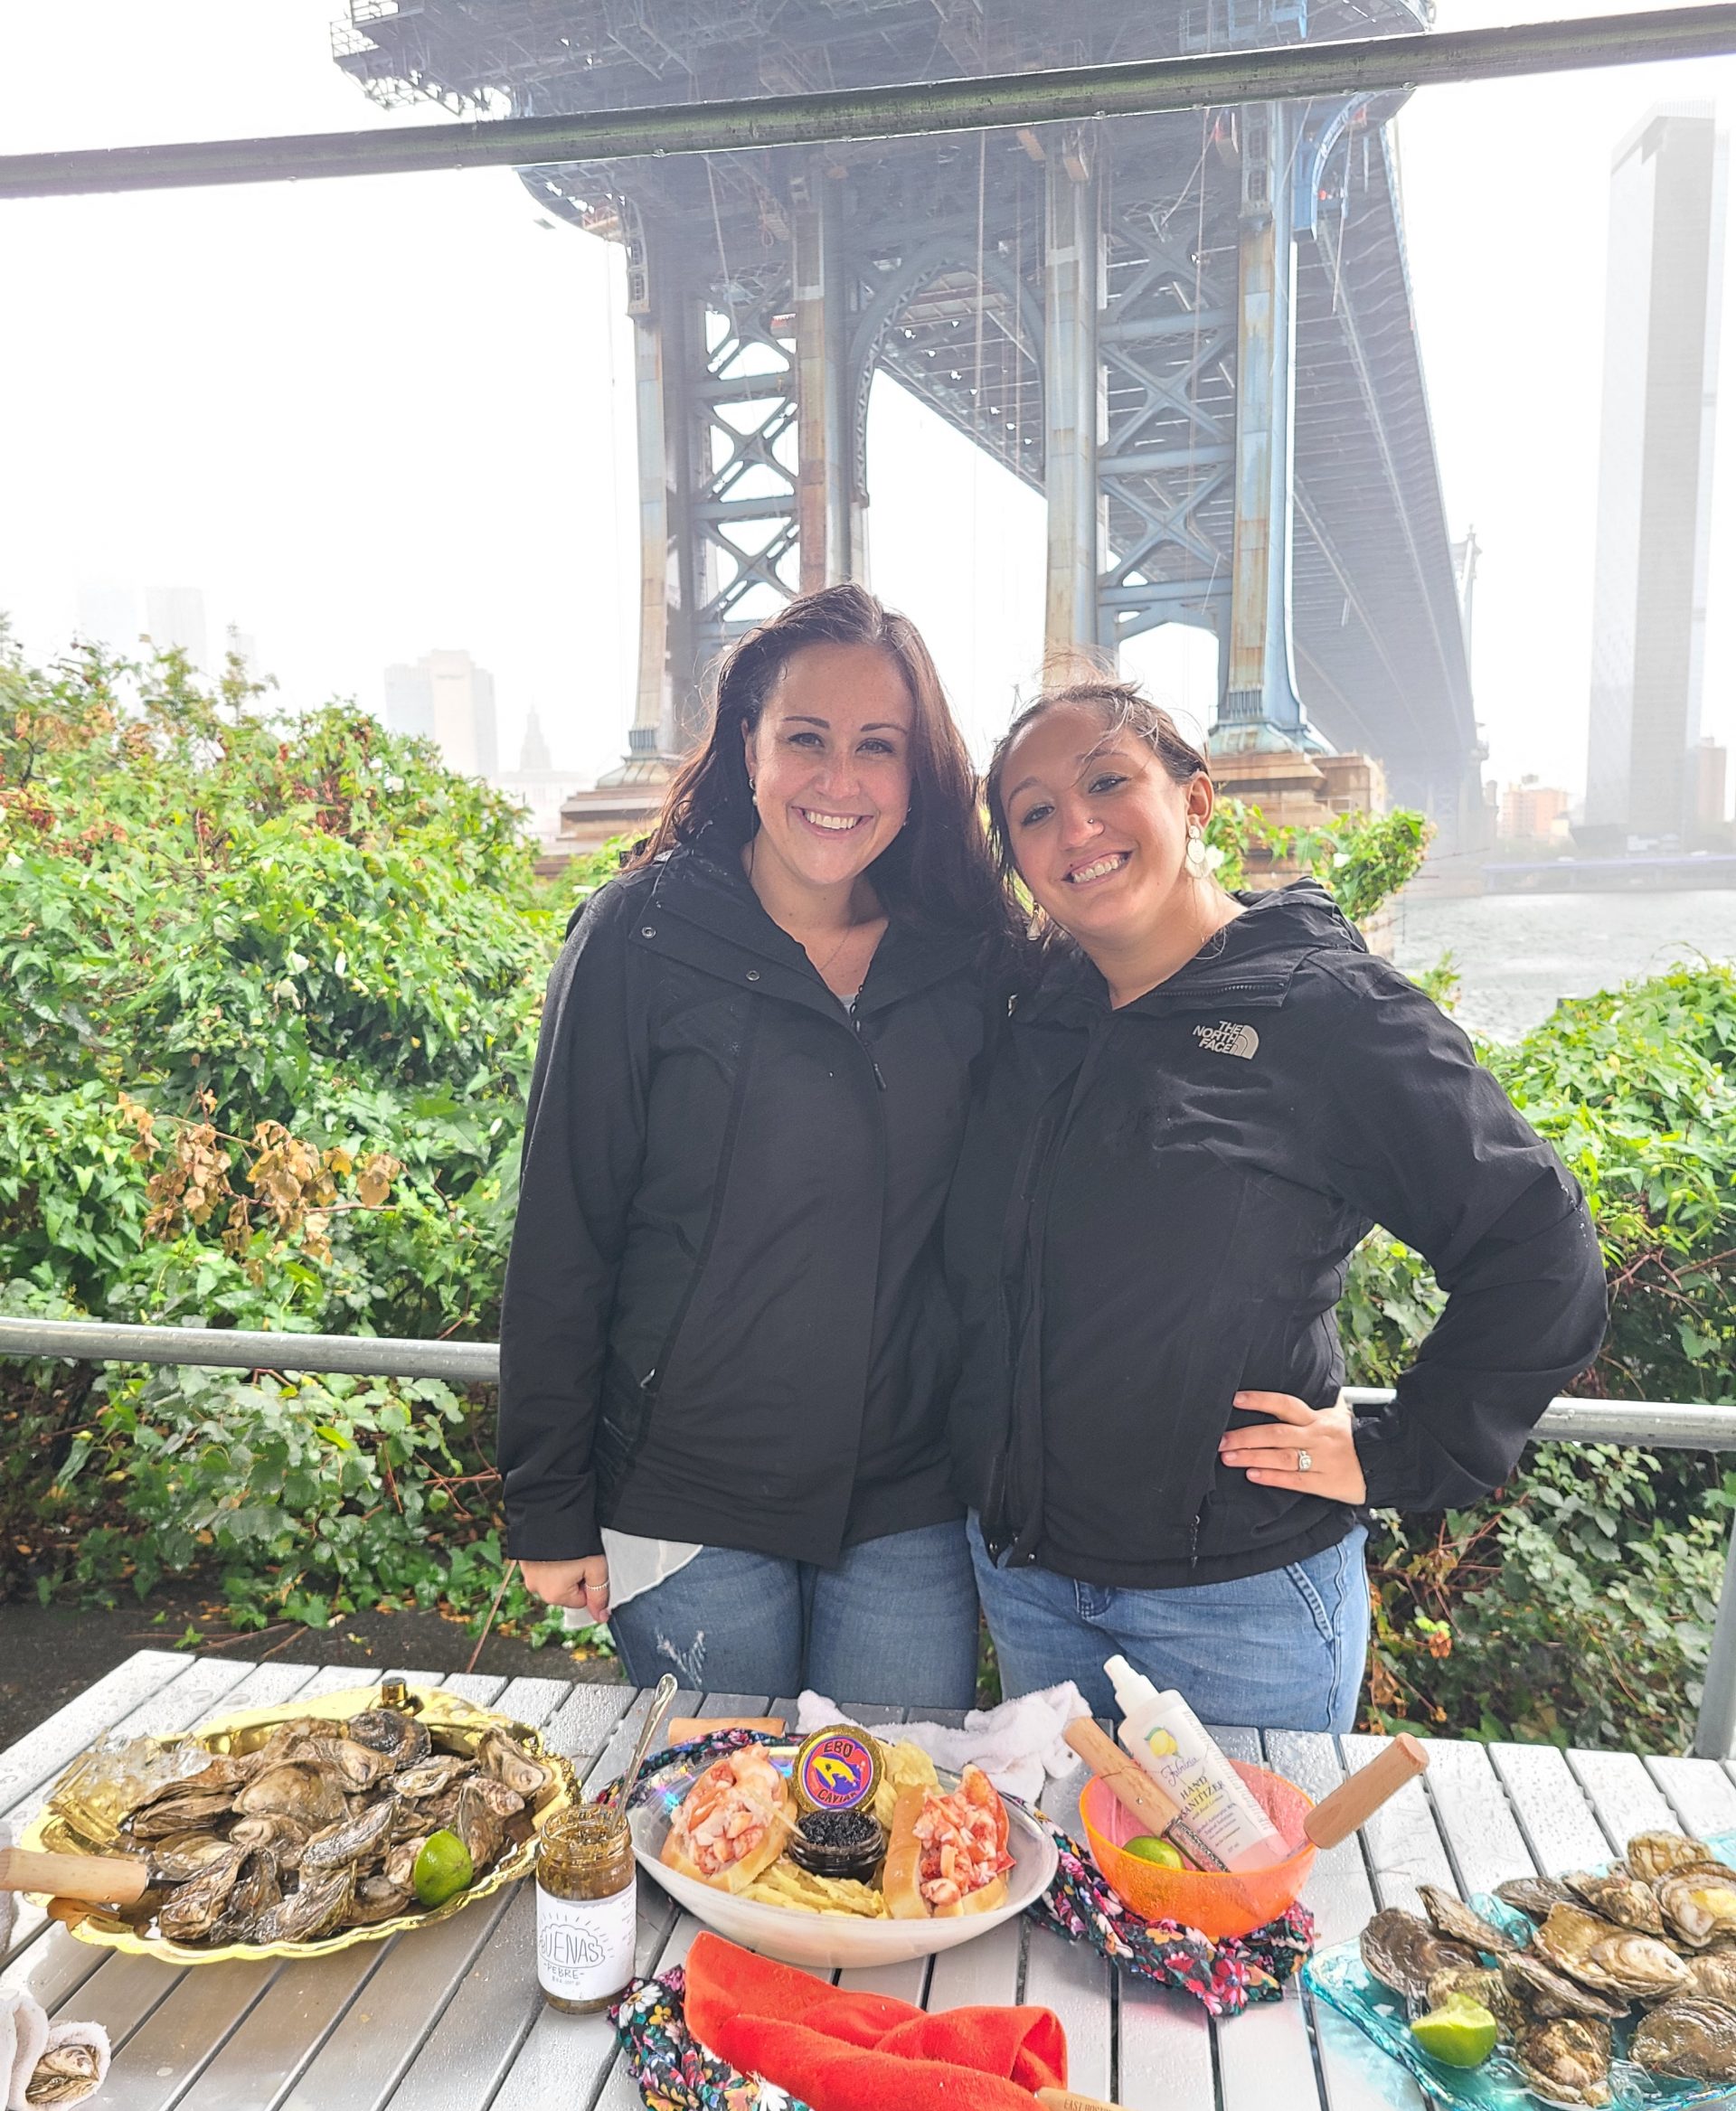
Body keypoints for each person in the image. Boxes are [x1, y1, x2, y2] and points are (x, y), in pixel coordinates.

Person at [946, 681, 1608, 1731]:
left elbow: (1540, 1246)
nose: (1076, 826)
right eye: (1032, 811)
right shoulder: (1035, 1022)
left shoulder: (1328, 1013)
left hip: (1236, 1608)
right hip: (1032, 1588)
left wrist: (1403, 1449)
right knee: (1076, 1894)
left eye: (1108, 782)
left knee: (1244, 1899)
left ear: (1197, 800)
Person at [498, 584, 1016, 1706]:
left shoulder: (967, 957)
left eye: (877, 747)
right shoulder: (636, 938)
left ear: (917, 771)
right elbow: (562, 1233)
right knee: (712, 1835)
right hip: (688, 1499)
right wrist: (548, 1506)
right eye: (806, 740)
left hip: (905, 1502)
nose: (840, 782)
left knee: (882, 1835)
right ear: (748, 747)